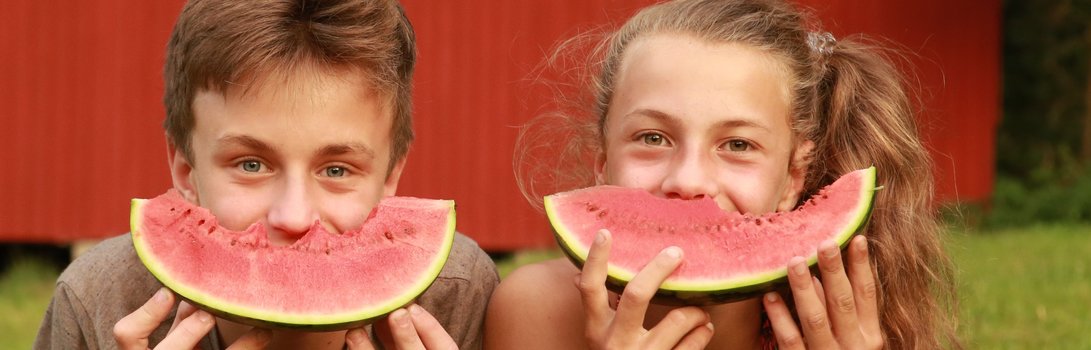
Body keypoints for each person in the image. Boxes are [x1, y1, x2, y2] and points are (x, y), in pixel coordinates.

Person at [487, 0, 960, 348]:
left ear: (794, 177)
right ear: (601, 162)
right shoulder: (536, 311)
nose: (689, 181)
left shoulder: (849, 332)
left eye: (738, 145)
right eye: (652, 138)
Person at [34, 0, 498, 349]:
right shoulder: (98, 300)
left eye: (336, 169)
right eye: (251, 165)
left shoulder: (455, 293)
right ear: (184, 168)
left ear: (390, 176)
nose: (293, 218)